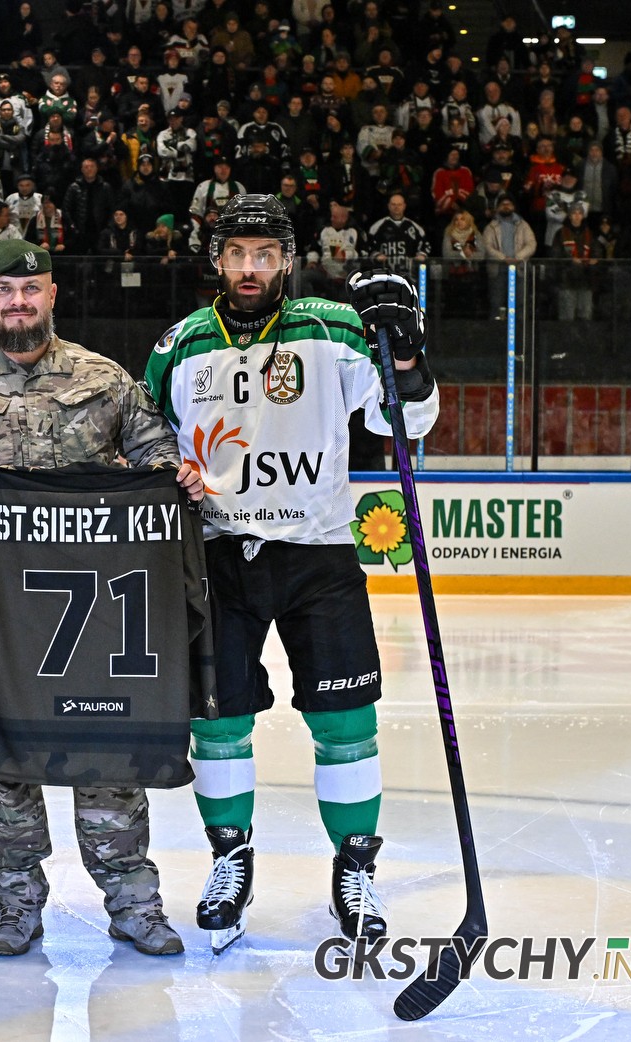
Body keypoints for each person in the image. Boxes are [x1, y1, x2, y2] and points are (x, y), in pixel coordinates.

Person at [0, 238, 205, 958]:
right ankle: (15, 904)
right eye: (4, 290)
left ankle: (133, 901)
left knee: (110, 749)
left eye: (31, 289)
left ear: (53, 294)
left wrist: (173, 476)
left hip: (92, 609)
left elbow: (155, 451)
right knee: (7, 758)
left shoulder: (104, 378)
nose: (19, 302)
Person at [142, 194, 439, 951]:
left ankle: (356, 868)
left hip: (319, 554)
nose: (250, 268)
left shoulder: (333, 329)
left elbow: (405, 422)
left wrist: (407, 354)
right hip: (217, 555)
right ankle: (230, 859)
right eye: (237, 255)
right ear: (217, 261)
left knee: (346, 723)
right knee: (218, 722)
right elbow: (146, 445)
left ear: (287, 261)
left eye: (265, 255)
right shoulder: (179, 346)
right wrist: (164, 473)